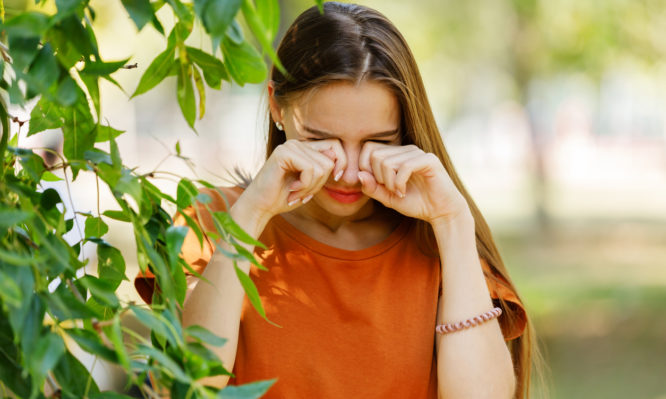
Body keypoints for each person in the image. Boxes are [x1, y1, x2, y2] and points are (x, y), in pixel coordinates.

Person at [135, 2, 534, 398]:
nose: (347, 171)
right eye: (321, 140)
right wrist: (251, 215)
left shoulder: (437, 243)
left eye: (378, 142)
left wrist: (452, 222)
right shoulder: (212, 220)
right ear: (277, 105)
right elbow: (184, 382)